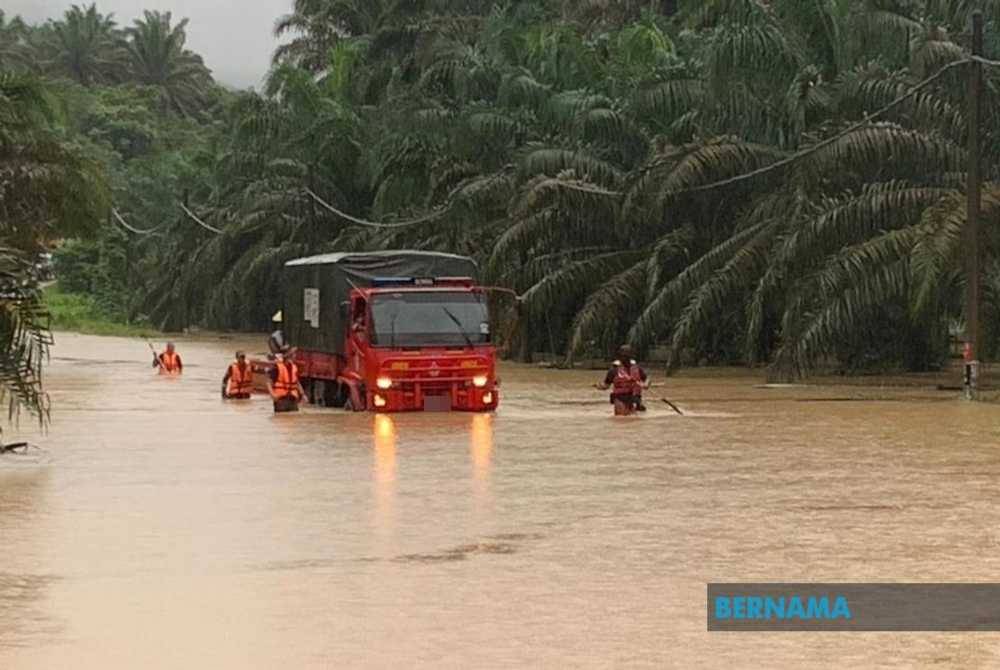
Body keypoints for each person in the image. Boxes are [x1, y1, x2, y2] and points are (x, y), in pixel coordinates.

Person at [596, 345, 649, 415]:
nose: (625, 358)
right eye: (623, 355)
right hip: (620, 398)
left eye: (627, 355)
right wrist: (599, 386)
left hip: (633, 398)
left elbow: (647, 379)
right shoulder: (614, 370)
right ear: (619, 356)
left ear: (631, 356)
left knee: (633, 420)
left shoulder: (637, 368)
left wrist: (646, 385)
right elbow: (606, 384)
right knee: (621, 419)